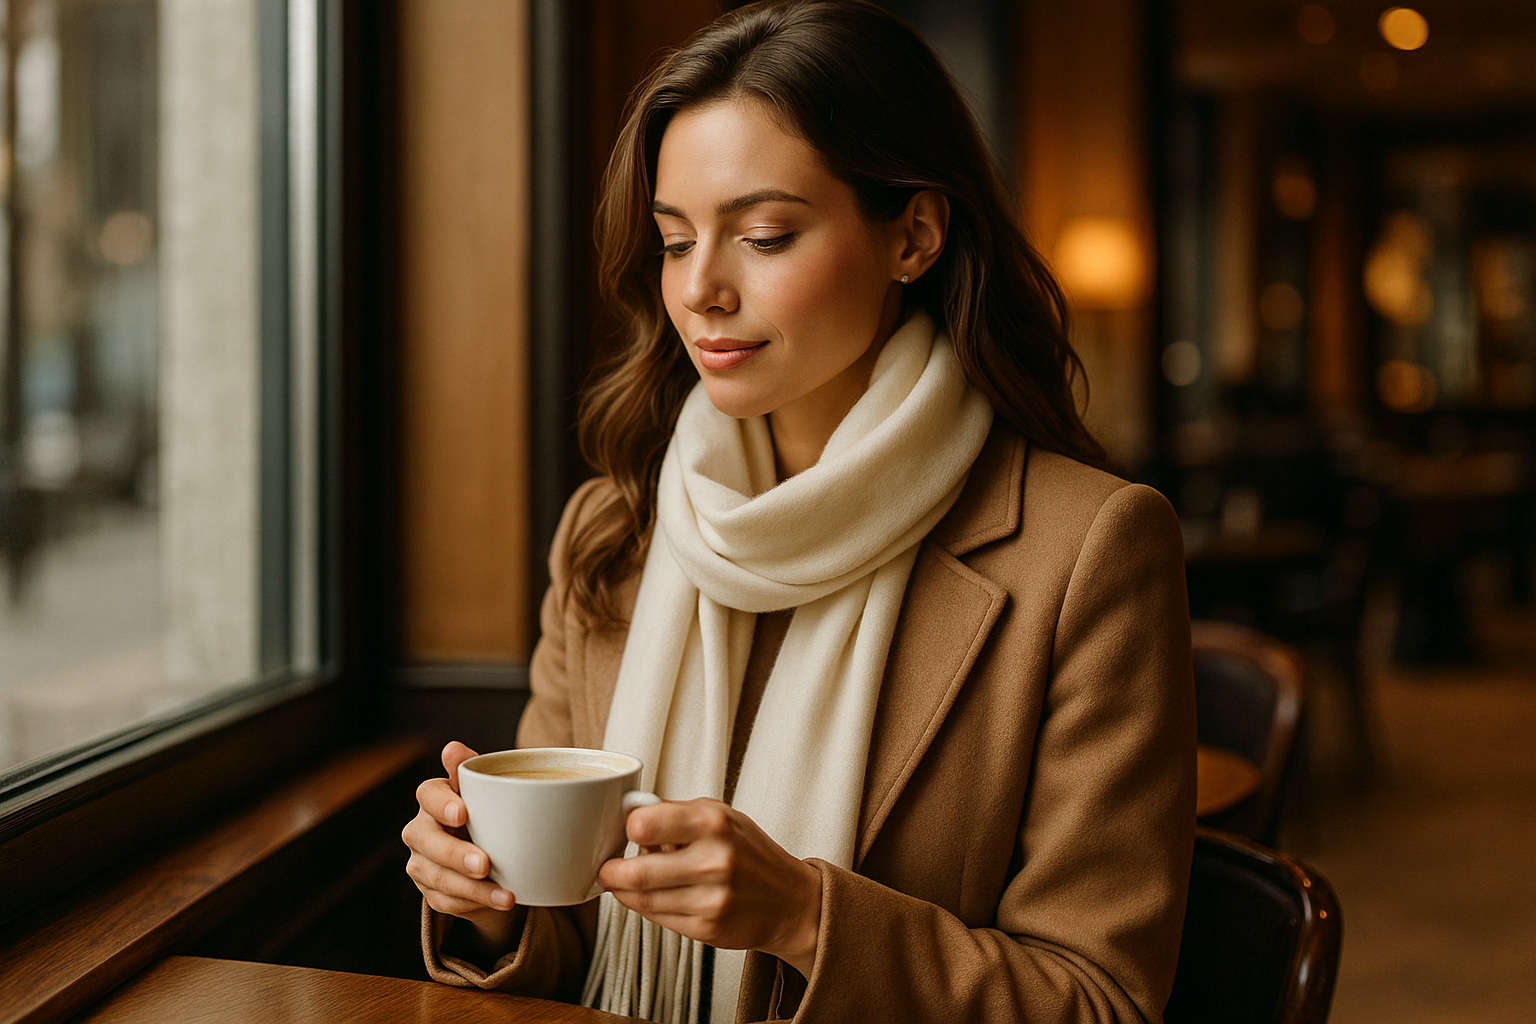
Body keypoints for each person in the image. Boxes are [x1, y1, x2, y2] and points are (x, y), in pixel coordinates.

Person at [401, 2, 1196, 1022]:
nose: (700, 291)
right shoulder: (616, 529)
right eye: (674, 240)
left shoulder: (1088, 550)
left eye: (764, 235)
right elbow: (573, 947)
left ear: (913, 233)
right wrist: (487, 894)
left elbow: (1102, 1001)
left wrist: (806, 918)